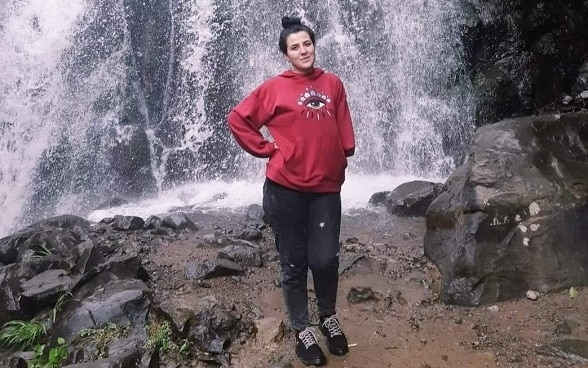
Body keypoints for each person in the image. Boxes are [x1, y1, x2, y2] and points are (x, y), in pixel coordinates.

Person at [227, 16, 355, 366]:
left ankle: (328, 317)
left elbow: (343, 127)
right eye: (295, 46)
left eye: (307, 44)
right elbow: (238, 118)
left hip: (327, 188)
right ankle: (302, 329)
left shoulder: (333, 83)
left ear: (314, 45)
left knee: (326, 259)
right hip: (286, 189)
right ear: (286, 54)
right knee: (295, 261)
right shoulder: (274, 88)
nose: (303, 50)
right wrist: (267, 149)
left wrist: (343, 153)